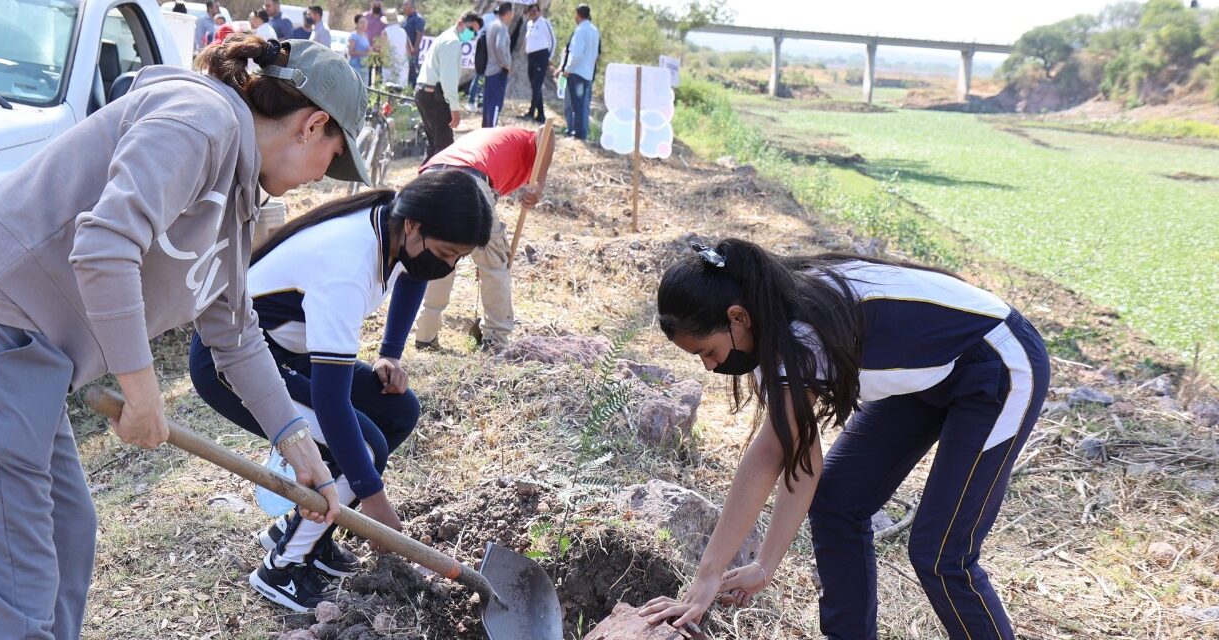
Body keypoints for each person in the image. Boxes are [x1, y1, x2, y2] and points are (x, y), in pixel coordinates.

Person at [0, 37, 369, 639]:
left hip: (32, 354)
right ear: (312, 125)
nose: (325, 177)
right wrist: (143, 393)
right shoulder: (200, 122)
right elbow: (105, 244)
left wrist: (303, 455)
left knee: (67, 533)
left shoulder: (238, 191)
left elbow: (235, 331)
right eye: (335, 156)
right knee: (17, 578)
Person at [637, 241, 1050, 640]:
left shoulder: (801, 331)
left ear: (737, 316)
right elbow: (801, 457)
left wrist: (708, 575)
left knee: (941, 554)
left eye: (707, 351)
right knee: (838, 501)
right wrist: (764, 564)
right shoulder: (771, 322)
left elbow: (771, 454)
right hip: (930, 374)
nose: (711, 367)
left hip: (996, 363)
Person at [190, 171, 495, 612]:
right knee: (364, 449)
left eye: (457, 259)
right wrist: (377, 508)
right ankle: (284, 569)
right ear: (414, 226)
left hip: (288, 350)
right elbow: (333, 406)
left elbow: (414, 272)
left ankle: (303, 531)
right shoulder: (348, 266)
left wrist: (391, 352)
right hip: (232, 361)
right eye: (446, 253)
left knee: (398, 411)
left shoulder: (394, 227)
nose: (446, 267)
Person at [414, 125, 556, 352]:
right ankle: (495, 341)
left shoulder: (496, 142)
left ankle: (425, 335)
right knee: (494, 264)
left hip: (430, 177)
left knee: (438, 256)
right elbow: (545, 131)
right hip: (469, 178)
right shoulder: (528, 140)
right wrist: (539, 183)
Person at [415, 11, 482, 159]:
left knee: (434, 146)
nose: (471, 34)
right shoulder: (452, 42)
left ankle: (425, 180)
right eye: (471, 29)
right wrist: (454, 108)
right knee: (444, 149)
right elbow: (448, 79)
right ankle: (434, 181)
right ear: (460, 23)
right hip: (434, 96)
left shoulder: (446, 37)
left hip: (426, 93)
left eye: (475, 33)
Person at [558, 4, 598, 140]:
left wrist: (568, 69)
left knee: (577, 104)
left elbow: (576, 54)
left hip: (577, 73)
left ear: (578, 14)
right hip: (588, 73)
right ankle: (580, 132)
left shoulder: (580, 30)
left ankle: (578, 133)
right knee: (581, 104)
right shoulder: (594, 30)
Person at [480, 3, 513, 128]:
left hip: (489, 69)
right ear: (508, 13)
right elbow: (499, 46)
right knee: (495, 103)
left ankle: (485, 129)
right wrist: (505, 64)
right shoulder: (501, 27)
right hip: (498, 70)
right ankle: (492, 129)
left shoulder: (491, 25)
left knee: (488, 103)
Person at [522, 3, 555, 123]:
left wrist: (548, 57)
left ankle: (531, 112)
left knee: (537, 85)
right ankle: (541, 114)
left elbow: (552, 40)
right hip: (531, 56)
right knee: (534, 85)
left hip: (541, 55)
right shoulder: (529, 24)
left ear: (539, 12)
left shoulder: (544, 23)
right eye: (530, 12)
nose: (532, 13)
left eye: (535, 11)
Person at [401, 0, 426, 88]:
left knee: (412, 72)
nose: (403, 7)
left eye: (405, 5)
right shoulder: (406, 19)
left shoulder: (418, 19)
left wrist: (415, 48)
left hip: (412, 51)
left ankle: (412, 91)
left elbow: (419, 34)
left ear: (412, 7)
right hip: (404, 50)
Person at [382, 10, 410, 85]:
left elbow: (383, 50)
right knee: (401, 88)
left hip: (390, 63)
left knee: (388, 89)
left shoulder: (385, 32)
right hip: (402, 63)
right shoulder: (403, 31)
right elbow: (406, 49)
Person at [348, 13, 372, 81]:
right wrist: (364, 53)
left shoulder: (365, 35)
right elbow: (351, 52)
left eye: (365, 22)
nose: (364, 24)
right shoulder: (354, 36)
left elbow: (367, 49)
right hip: (356, 67)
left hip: (364, 67)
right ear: (357, 24)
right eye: (361, 22)